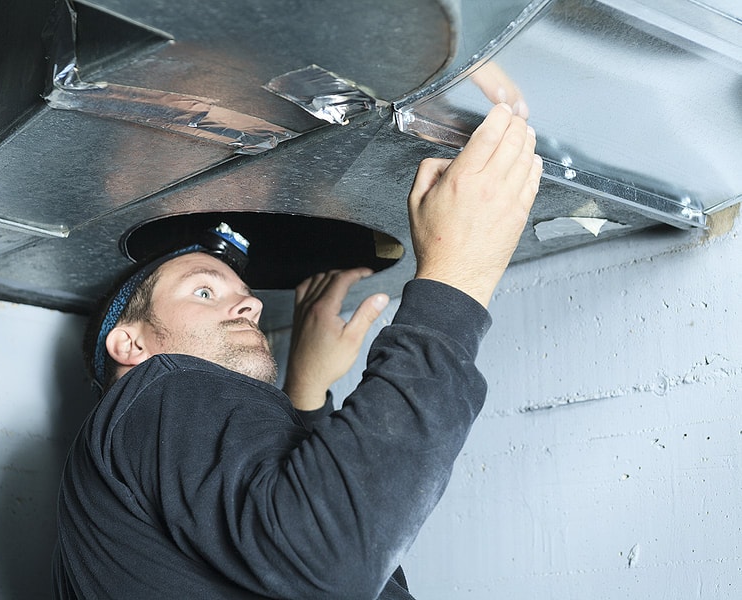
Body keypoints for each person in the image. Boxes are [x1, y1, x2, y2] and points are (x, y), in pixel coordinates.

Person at [53, 103, 543, 599]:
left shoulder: (127, 476)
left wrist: (304, 399)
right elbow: (330, 556)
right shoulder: (157, 387)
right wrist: (454, 281)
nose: (248, 304)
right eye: (205, 291)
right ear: (130, 343)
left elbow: (315, 550)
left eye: (245, 295)